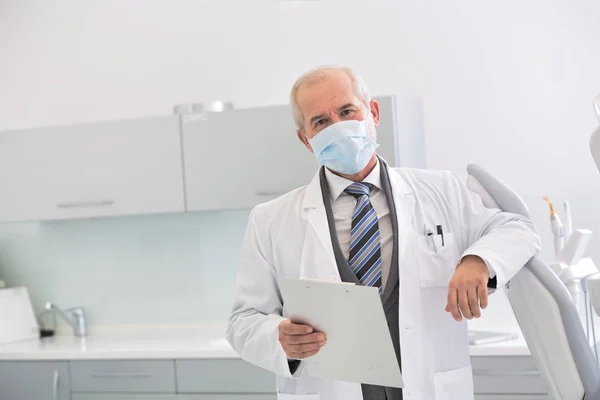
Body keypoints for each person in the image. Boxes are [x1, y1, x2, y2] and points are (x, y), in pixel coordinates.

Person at [226, 65, 540, 400]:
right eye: (321, 121)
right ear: (306, 138)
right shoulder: (271, 219)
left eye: (347, 111)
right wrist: (279, 338)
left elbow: (518, 228)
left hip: (426, 387)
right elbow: (243, 322)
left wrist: (478, 260)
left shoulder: (440, 190)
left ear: (372, 113)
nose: (339, 126)